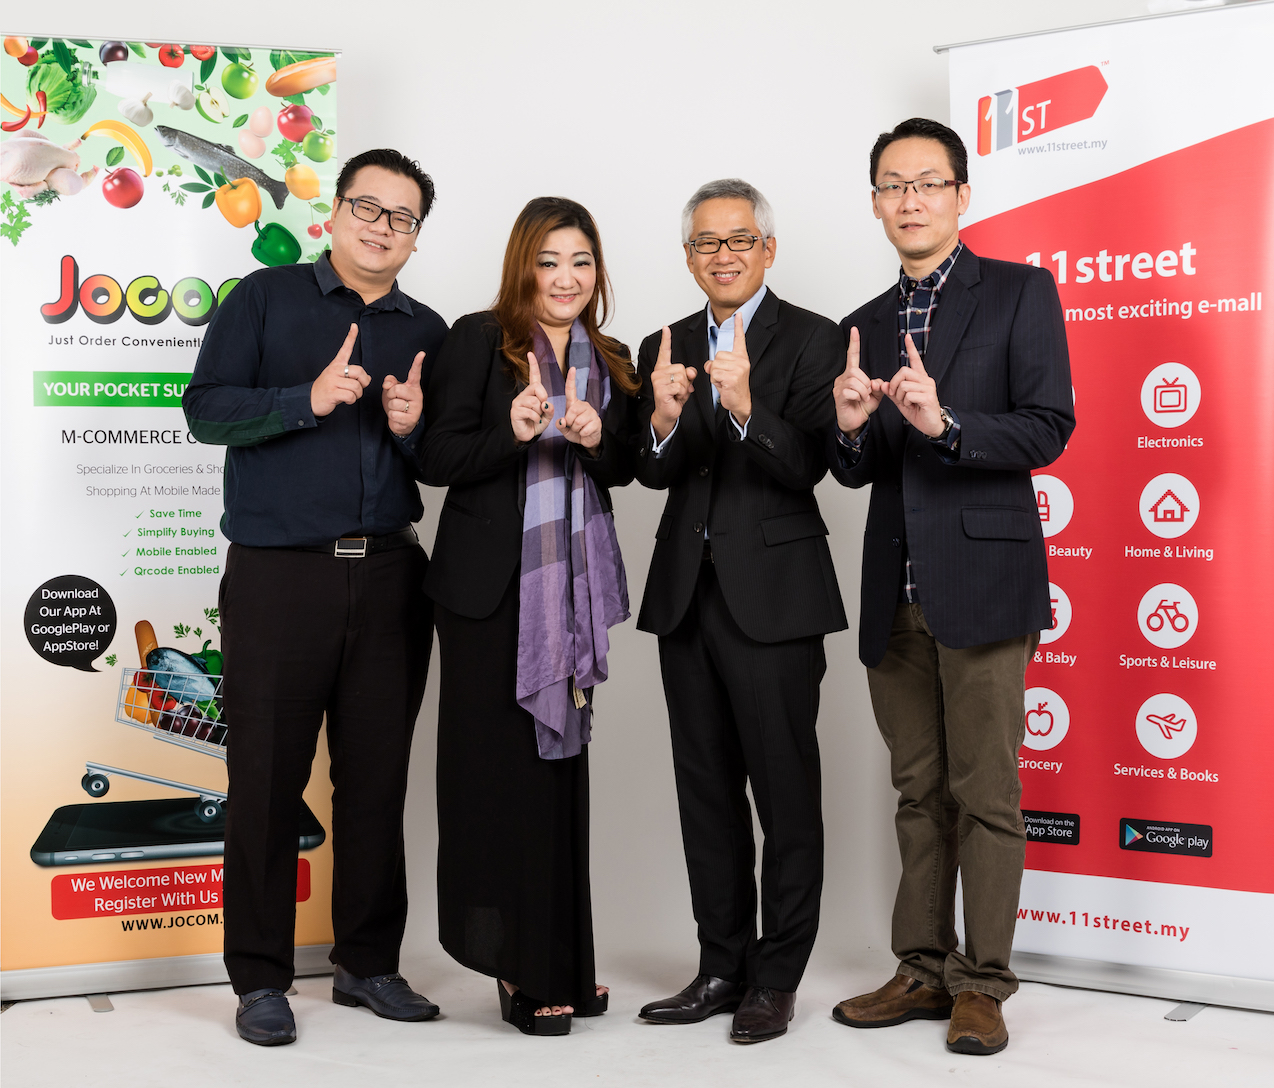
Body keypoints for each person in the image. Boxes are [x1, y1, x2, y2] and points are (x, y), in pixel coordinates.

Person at [183, 149, 447, 1046]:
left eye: (402, 217)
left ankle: (367, 964)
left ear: (416, 237)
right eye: (367, 208)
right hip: (278, 576)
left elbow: (448, 457)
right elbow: (204, 409)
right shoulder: (261, 299)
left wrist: (413, 432)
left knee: (376, 782)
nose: (381, 227)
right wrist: (308, 399)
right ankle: (259, 978)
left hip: (390, 577)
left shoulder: (430, 329)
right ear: (333, 216)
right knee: (264, 781)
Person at [826, 118, 1074, 1055]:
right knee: (917, 791)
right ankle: (921, 971)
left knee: (988, 793)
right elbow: (854, 472)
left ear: (962, 197)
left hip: (984, 580)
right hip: (897, 587)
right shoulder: (868, 322)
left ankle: (984, 983)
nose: (911, 200)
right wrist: (851, 428)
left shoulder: (1018, 293)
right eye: (893, 185)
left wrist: (947, 423)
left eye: (929, 183)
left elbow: (1049, 427)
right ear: (878, 202)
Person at [634, 179, 846, 1044]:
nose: (722, 255)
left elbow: (811, 466)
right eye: (704, 244)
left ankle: (776, 977)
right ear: (689, 256)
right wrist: (662, 415)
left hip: (778, 603)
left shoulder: (816, 337)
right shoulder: (666, 341)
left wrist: (748, 407)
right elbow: (652, 472)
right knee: (706, 794)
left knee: (786, 794)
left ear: (766, 249)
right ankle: (721, 965)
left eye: (739, 240)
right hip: (688, 599)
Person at [419, 196, 637, 1036]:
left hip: (568, 600)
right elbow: (437, 457)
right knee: (496, 782)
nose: (567, 278)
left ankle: (565, 964)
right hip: (487, 597)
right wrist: (512, 434)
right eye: (550, 261)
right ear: (523, 266)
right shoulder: (478, 339)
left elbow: (621, 469)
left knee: (557, 776)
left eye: (581, 261)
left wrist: (594, 438)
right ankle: (516, 968)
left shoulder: (608, 354)